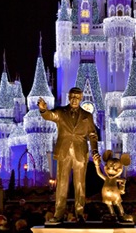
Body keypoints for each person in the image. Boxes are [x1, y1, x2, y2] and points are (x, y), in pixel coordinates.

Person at [38, 87, 100, 223]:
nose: (74, 99)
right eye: (72, 96)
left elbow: (92, 135)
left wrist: (95, 150)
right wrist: (43, 110)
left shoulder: (87, 116)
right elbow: (50, 115)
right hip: (64, 152)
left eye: (77, 97)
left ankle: (79, 213)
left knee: (80, 185)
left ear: (81, 98)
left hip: (80, 153)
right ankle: (58, 214)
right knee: (62, 184)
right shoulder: (61, 112)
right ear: (68, 97)